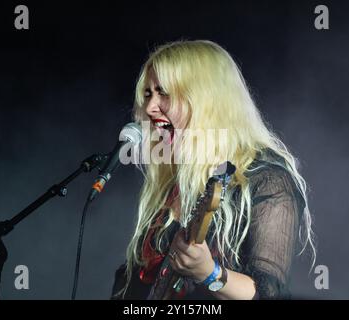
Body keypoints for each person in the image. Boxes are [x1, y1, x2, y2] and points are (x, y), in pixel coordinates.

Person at [111, 40, 315, 300]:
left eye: (163, 92)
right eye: (148, 94)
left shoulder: (266, 181)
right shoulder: (171, 183)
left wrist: (209, 273)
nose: (150, 107)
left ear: (206, 99)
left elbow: (268, 293)